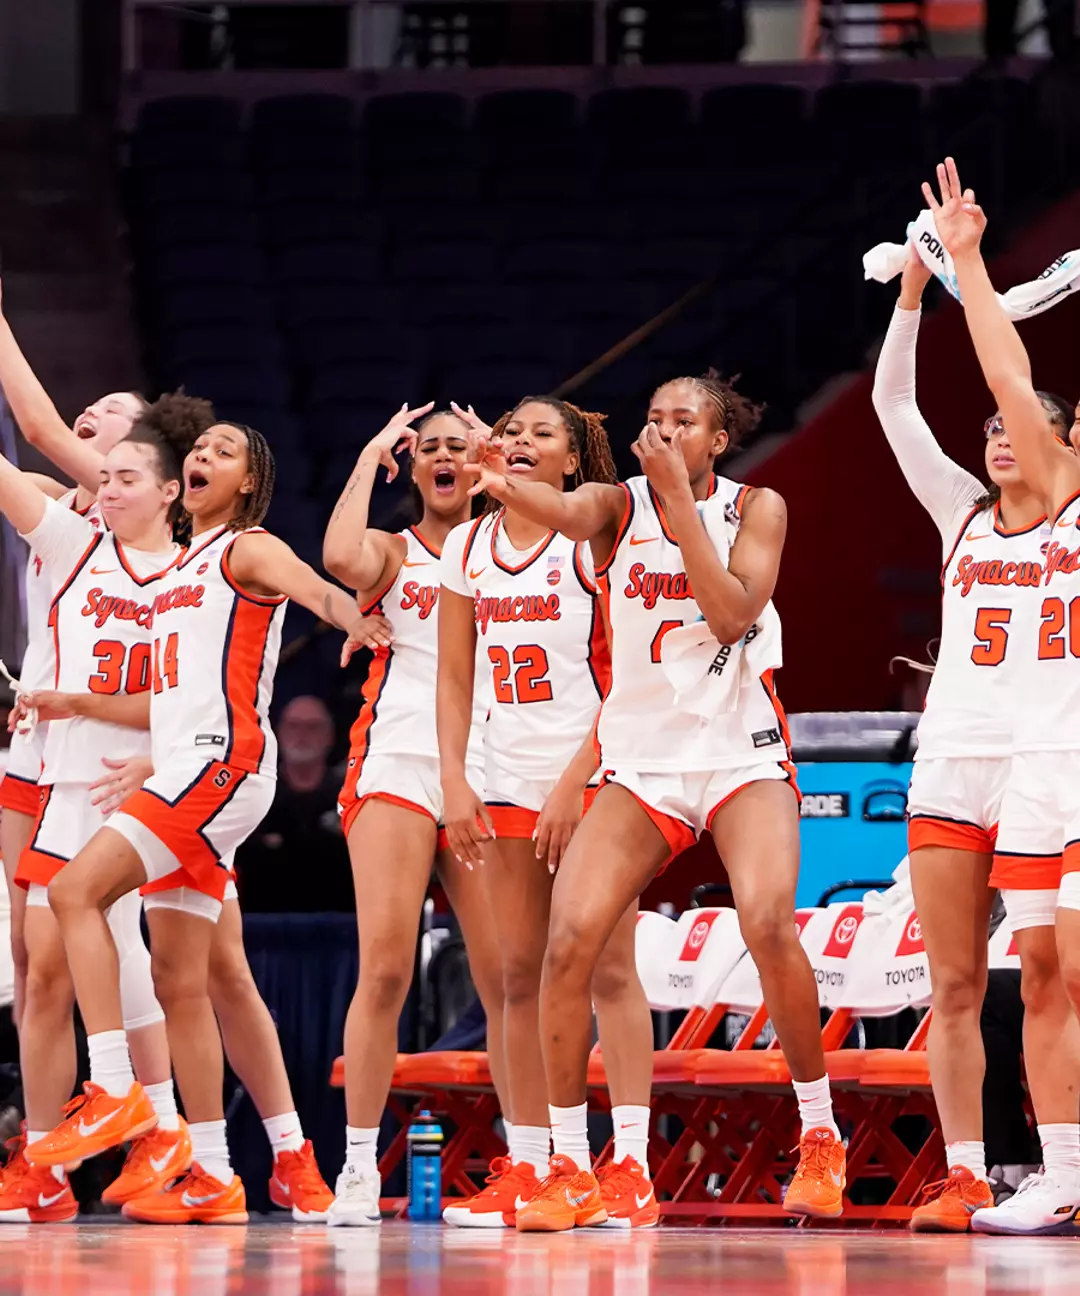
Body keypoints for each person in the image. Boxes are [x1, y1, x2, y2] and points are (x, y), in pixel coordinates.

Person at [462, 375, 843, 1228]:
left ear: (717, 441)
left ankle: (820, 1133)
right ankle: (574, 1166)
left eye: (685, 421)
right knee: (569, 945)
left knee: (768, 921)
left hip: (738, 753)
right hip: (643, 763)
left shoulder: (759, 507)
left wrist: (680, 506)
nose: (664, 429)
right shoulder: (613, 504)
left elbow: (734, 614)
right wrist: (500, 476)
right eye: (656, 417)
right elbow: (560, 511)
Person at [24, 419, 376, 1225]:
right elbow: (187, 693)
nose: (206, 458)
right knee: (182, 978)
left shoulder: (243, 547)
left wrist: (350, 613)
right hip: (186, 767)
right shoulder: (177, 567)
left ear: (248, 482)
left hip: (223, 768)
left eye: (225, 451)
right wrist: (99, 719)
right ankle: (216, 1172)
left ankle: (115, 1087)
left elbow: (306, 582)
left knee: (77, 896)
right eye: (201, 450)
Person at [871, 248, 1077, 1231]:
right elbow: (896, 413)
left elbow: (1005, 371)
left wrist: (971, 268)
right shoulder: (961, 516)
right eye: (995, 427)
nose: (1005, 436)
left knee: (1058, 973)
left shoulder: (1071, 512)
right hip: (960, 757)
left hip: (1055, 756)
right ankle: (980, 1175)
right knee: (963, 980)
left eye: (1027, 426)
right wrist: (915, 295)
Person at [437, 397, 657, 1229]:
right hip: (501, 776)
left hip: (597, 772)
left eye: (542, 434)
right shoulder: (467, 543)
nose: (522, 441)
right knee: (513, 978)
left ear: (573, 463)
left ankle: (629, 1165)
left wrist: (578, 779)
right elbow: (454, 676)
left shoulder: (595, 540)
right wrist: (454, 781)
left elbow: (631, 670)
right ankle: (535, 1165)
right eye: (513, 430)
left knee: (605, 970)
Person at [0, 397, 204, 1222]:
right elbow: (17, 470)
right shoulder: (77, 542)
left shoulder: (202, 573)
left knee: (163, 970)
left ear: (166, 488)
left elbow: (205, 698)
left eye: (124, 474)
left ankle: (176, 1140)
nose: (105, 485)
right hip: (55, 777)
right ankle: (53, 1161)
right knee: (42, 970)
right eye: (103, 477)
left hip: (144, 788)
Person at [926, 156, 1080, 1234]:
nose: (1019, 434)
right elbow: (1009, 380)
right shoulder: (1039, 489)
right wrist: (972, 270)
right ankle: (1063, 1174)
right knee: (1041, 972)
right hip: (1035, 762)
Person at [321, 405, 509, 1227]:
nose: (443, 458)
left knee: (506, 977)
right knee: (387, 969)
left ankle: (530, 1163)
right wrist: (368, 455)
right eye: (427, 448)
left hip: (484, 771)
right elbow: (334, 555)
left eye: (457, 449)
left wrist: (504, 457)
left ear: (480, 463)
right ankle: (357, 1168)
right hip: (397, 760)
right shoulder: (395, 554)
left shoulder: (510, 551)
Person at [0, 279, 147, 1031]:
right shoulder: (54, 504)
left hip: (109, 747)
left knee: (134, 958)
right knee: (27, 953)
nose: (95, 409)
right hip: (35, 744)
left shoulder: (136, 516)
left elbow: (35, 421)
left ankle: (160, 1119)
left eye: (116, 407)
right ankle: (40, 1133)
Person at [235, 695, 352, 912]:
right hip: (261, 924)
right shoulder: (252, 794)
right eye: (294, 726)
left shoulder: (349, 797)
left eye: (313, 727)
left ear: (330, 735)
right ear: (278, 732)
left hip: (340, 922)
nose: (302, 735)